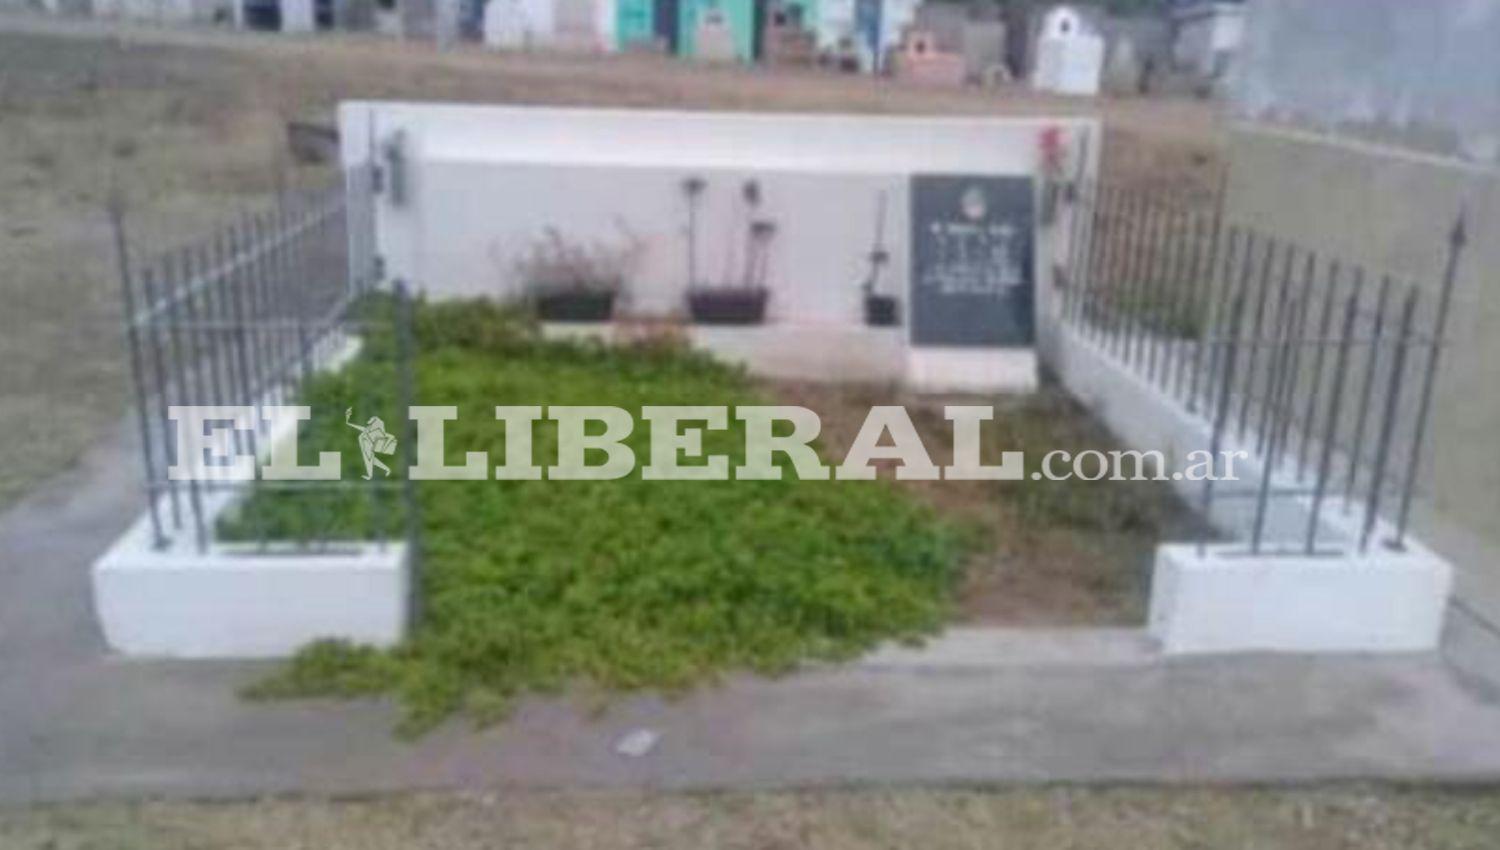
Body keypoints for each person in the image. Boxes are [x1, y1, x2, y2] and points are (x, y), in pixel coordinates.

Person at [345, 408, 393, 480]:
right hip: (364, 448)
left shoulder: (376, 431)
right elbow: (359, 427)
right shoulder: (368, 429)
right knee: (373, 461)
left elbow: (387, 436)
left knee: (369, 461)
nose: (369, 420)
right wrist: (348, 422)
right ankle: (387, 469)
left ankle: (370, 476)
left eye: (371, 419)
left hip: (368, 448)